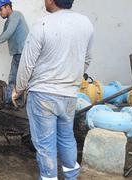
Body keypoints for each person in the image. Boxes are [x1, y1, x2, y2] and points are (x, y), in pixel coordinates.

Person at [13, 0, 94, 179]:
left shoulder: (42, 24)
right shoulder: (86, 24)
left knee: (45, 144)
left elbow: (26, 64)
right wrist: (71, 78)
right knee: (66, 138)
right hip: (70, 94)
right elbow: (86, 59)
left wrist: (18, 89)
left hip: (43, 94)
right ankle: (71, 176)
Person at [0, 0, 29, 87]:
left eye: (1, 10)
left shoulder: (16, 15)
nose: (0, 13)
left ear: (7, 7)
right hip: (18, 53)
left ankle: (12, 98)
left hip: (23, 53)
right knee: (13, 79)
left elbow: (8, 32)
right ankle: (12, 99)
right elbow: (3, 35)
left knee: (18, 79)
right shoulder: (9, 21)